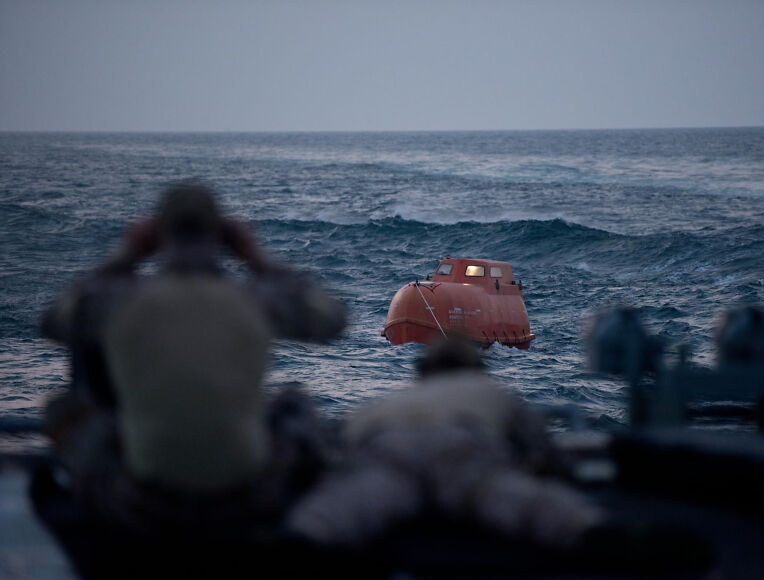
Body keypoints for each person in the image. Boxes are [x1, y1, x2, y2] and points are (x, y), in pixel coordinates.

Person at [37, 180, 347, 534]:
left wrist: (125, 258)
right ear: (222, 234)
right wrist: (258, 259)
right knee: (295, 405)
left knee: (64, 410)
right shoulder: (255, 299)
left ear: (157, 234)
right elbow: (331, 320)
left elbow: (52, 321)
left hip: (141, 501)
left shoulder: (120, 300)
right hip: (246, 498)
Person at [287, 335, 603, 551]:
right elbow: (539, 447)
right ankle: (588, 530)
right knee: (500, 495)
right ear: (477, 370)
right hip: (458, 445)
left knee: (356, 500)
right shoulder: (486, 391)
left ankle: (305, 533)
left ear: (423, 372)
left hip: (387, 445)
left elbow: (340, 449)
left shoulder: (384, 402)